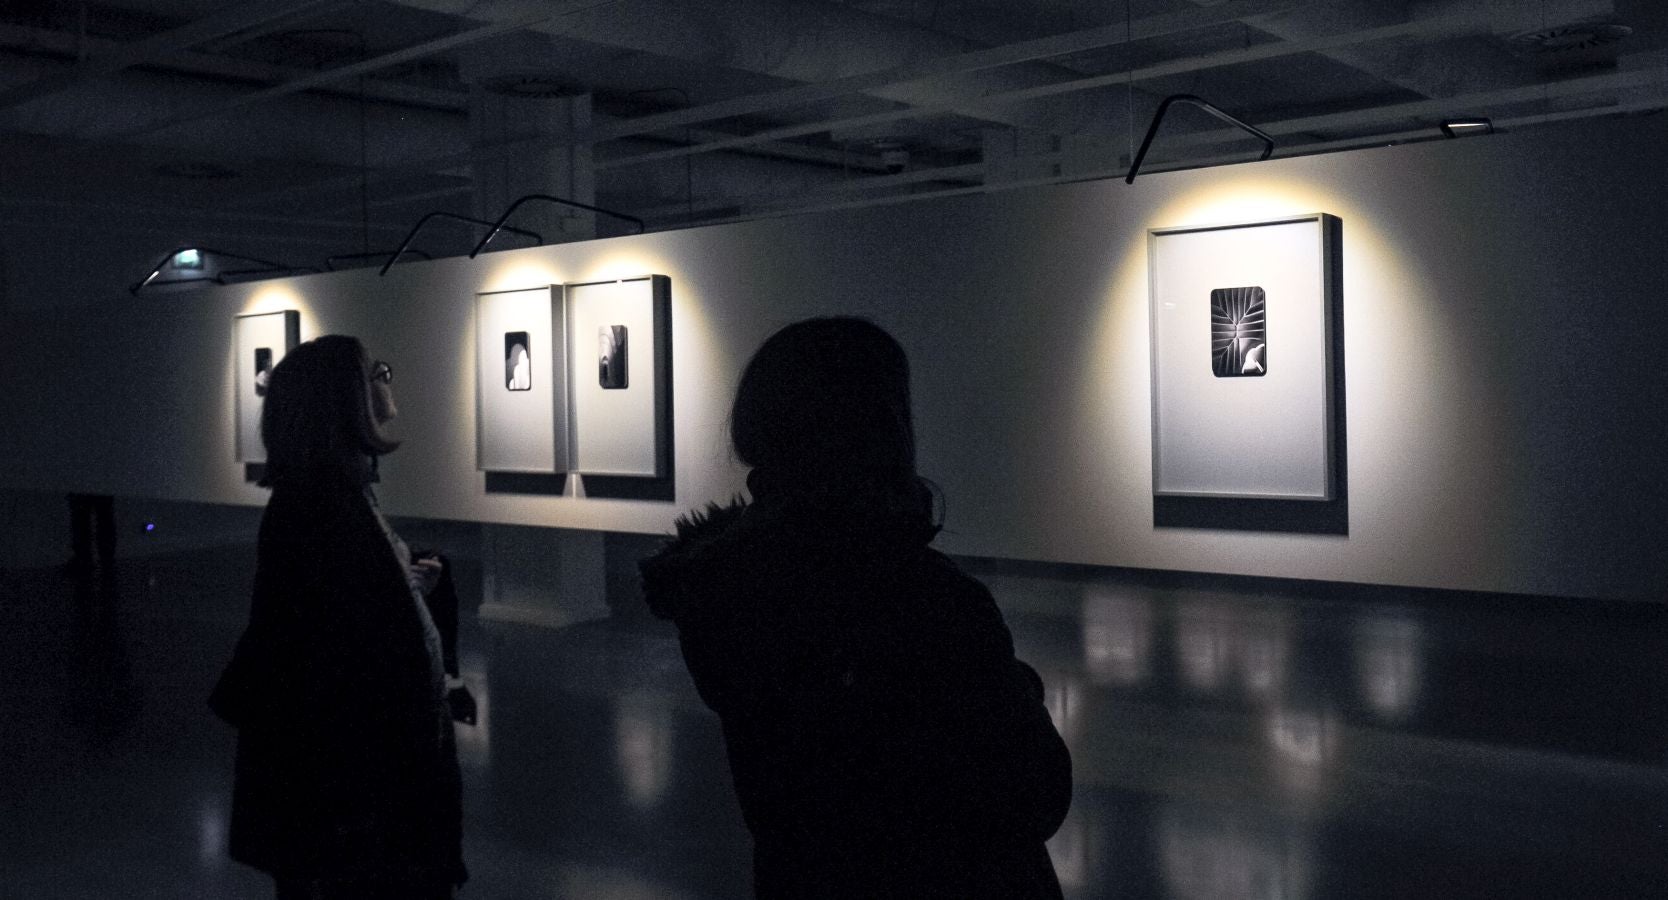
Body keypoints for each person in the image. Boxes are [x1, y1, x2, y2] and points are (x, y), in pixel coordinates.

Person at [641, 317, 1072, 899]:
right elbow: (1032, 793)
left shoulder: (724, 586)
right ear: (883, 428)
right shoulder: (925, 600)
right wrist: (1020, 689)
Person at [209, 335, 466, 899]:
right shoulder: (317, 503)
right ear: (340, 400)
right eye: (376, 371)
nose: (386, 378)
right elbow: (314, 648)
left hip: (356, 789)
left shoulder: (338, 492)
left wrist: (405, 588)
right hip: (351, 798)